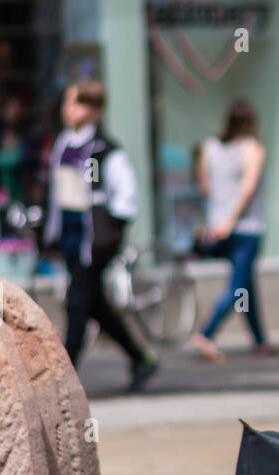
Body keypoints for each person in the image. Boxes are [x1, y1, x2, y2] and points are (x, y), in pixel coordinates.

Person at [42, 82, 158, 391]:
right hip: (70, 237)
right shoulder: (64, 144)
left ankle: (62, 381)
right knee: (95, 307)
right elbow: (58, 195)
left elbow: (127, 196)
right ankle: (141, 357)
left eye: (76, 103)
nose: (69, 109)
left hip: (94, 243)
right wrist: (51, 234)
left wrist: (111, 232)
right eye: (67, 102)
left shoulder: (105, 150)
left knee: (77, 304)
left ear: (94, 110)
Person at [187, 99, 275, 364]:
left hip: (216, 227)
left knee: (247, 283)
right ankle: (206, 334)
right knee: (239, 287)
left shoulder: (209, 148)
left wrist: (212, 221)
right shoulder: (253, 149)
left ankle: (260, 340)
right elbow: (248, 189)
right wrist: (231, 220)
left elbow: (204, 189)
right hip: (244, 228)